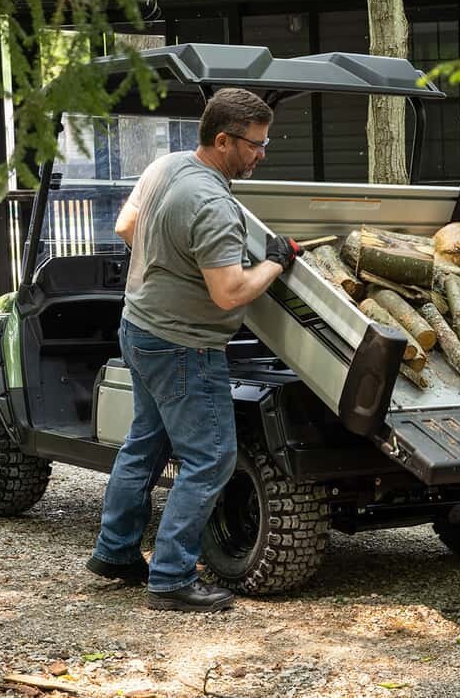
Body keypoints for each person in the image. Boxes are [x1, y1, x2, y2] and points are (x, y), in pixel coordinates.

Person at [86, 88, 302, 612]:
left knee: (145, 444)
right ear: (224, 140)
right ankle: (172, 578)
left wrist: (170, 265)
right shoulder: (210, 203)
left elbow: (129, 227)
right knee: (210, 459)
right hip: (184, 345)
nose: (261, 154)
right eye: (255, 145)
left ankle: (116, 552)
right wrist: (275, 262)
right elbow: (229, 293)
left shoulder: (170, 167)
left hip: (138, 326)